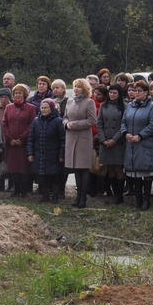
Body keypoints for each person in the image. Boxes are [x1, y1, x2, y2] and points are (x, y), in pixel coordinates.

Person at [118, 81, 153, 210]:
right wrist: (125, 133)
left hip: (144, 142)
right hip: (131, 143)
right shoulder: (130, 106)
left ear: (146, 92)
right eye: (135, 90)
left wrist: (140, 136)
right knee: (135, 172)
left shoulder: (152, 106)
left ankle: (146, 200)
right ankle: (137, 200)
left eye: (139, 91)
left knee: (146, 171)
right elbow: (123, 122)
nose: (136, 93)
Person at [63, 78, 98, 208]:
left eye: (79, 86)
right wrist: (66, 124)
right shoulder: (70, 101)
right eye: (75, 86)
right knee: (76, 167)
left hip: (84, 139)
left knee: (83, 167)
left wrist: (75, 124)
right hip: (71, 137)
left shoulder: (89, 102)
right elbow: (65, 116)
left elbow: (92, 120)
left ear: (85, 88)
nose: (76, 89)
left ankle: (83, 196)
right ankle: (78, 196)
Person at [27, 99, 66, 202]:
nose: (43, 110)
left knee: (54, 176)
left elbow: (63, 139)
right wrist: (30, 153)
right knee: (41, 176)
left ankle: (55, 195)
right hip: (39, 152)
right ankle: (45, 195)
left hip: (53, 153)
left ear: (52, 109)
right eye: (42, 107)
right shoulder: (36, 120)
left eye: (46, 108)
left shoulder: (58, 121)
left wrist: (61, 154)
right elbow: (31, 138)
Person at [2, 84, 36, 197]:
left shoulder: (31, 108)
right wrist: (9, 138)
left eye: (20, 93)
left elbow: (32, 124)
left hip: (24, 143)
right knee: (13, 166)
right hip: (11, 144)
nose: (17, 95)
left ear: (24, 95)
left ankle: (24, 189)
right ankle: (16, 188)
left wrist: (22, 138)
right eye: (16, 93)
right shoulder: (8, 107)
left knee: (24, 166)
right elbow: (4, 124)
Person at [95, 84, 127, 204]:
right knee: (110, 168)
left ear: (119, 94)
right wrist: (103, 139)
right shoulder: (104, 106)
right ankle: (114, 194)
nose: (112, 95)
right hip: (105, 142)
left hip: (118, 142)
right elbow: (99, 123)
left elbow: (124, 124)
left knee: (118, 167)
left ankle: (120, 195)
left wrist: (114, 139)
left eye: (115, 93)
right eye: (111, 92)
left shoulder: (124, 106)